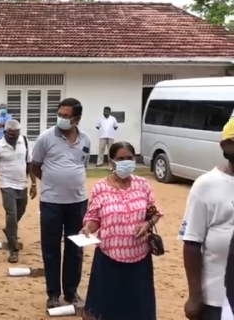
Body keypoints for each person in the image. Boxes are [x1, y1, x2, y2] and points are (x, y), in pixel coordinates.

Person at [81, 141, 161, 320]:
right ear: (111, 162)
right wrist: (87, 229)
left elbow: (154, 213)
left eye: (130, 158)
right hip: (109, 257)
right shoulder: (100, 188)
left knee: (137, 306)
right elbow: (94, 219)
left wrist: (147, 225)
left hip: (139, 258)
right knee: (109, 306)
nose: (126, 162)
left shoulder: (143, 185)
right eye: (121, 158)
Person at [31, 98, 91, 308]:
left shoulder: (86, 139)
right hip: (51, 203)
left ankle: (71, 291)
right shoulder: (45, 138)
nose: (62, 119)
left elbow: (82, 166)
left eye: (67, 116)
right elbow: (35, 166)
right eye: (60, 115)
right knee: (51, 248)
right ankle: (53, 294)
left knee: (75, 248)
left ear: (77, 118)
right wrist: (52, 183)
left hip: (78, 203)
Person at [180, 115, 234, 320]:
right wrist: (195, 296)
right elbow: (192, 242)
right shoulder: (207, 185)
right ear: (226, 145)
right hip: (218, 298)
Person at [0, 120, 36, 263]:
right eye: (11, 135)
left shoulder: (24, 142)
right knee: (11, 215)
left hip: (22, 184)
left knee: (20, 211)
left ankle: (9, 230)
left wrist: (33, 184)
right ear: (5, 132)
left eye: (16, 134)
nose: (14, 137)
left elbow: (30, 164)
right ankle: (13, 250)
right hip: (6, 185)